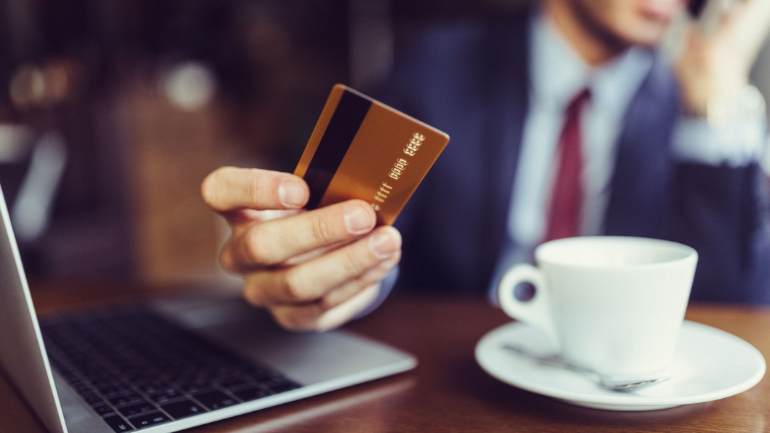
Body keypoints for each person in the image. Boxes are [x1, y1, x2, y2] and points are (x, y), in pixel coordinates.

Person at [201, 0, 770, 331]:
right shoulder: (437, 65)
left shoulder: (693, 106)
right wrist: (334, 275)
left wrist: (712, 115)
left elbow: (735, 308)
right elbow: (369, 234)